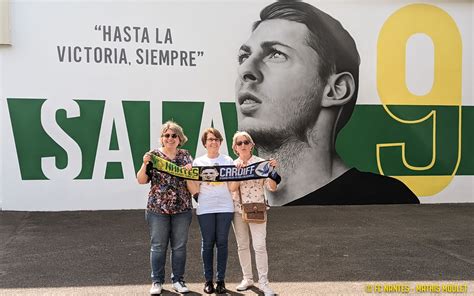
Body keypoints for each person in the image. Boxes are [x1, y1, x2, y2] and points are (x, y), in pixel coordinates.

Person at [234, 0, 419, 206]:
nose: (245, 70)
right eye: (244, 56)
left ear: (336, 89)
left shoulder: (384, 202)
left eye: (277, 54)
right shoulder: (234, 206)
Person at [137, 121, 194, 295]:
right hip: (157, 209)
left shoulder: (185, 156)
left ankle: (178, 280)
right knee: (158, 246)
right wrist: (145, 164)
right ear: (162, 138)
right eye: (167, 135)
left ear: (179, 139)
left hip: (182, 208)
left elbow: (192, 180)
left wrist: (190, 170)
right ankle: (157, 281)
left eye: (174, 135)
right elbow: (141, 180)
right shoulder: (153, 155)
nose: (170, 138)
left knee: (179, 246)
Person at [229, 131, 278, 296]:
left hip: (257, 208)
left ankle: (264, 282)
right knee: (242, 245)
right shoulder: (233, 165)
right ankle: (247, 278)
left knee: (259, 246)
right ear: (235, 147)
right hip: (238, 209)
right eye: (239, 143)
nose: (243, 145)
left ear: (252, 145)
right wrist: (239, 174)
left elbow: (272, 187)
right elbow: (231, 189)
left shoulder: (261, 163)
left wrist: (271, 171)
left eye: (246, 142)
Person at [192, 128, 234, 294]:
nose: (213, 142)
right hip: (206, 207)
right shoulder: (198, 162)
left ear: (220, 142)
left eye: (216, 139)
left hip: (225, 206)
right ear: (205, 143)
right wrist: (197, 195)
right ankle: (208, 280)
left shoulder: (228, 160)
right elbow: (194, 186)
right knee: (208, 243)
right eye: (210, 139)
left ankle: (221, 281)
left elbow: (232, 185)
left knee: (222, 243)